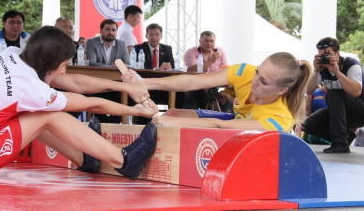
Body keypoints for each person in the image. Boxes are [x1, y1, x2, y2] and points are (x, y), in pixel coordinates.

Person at [0, 26, 157, 181]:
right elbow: (89, 104)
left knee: (31, 113)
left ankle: (85, 158)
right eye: (64, 65)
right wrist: (135, 110)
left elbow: (75, 82)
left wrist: (126, 88)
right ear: (51, 62)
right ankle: (125, 161)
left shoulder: (12, 56)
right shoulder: (31, 89)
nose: (64, 71)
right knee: (48, 115)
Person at [122, 52, 312, 133]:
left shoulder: (280, 118)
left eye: (263, 81)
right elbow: (193, 80)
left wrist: (172, 123)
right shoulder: (244, 72)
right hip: (234, 123)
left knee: (171, 122)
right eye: (257, 73)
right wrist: (143, 82)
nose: (254, 81)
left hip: (252, 142)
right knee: (171, 114)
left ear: (282, 90)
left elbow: (219, 125)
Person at [301, 37, 364, 153]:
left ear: (337, 54)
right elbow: (308, 91)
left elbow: (356, 92)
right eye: (320, 55)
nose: (324, 58)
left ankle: (340, 143)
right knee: (308, 124)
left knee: (333, 93)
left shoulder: (351, 64)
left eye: (327, 54)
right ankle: (346, 137)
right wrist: (315, 70)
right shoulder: (321, 69)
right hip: (340, 113)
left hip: (360, 109)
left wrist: (336, 72)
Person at [182, 31, 230, 110]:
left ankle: (223, 120)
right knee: (191, 98)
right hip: (194, 86)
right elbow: (191, 70)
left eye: (212, 41)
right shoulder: (191, 52)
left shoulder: (220, 51)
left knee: (228, 98)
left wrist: (211, 84)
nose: (209, 44)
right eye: (206, 41)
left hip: (214, 86)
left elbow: (225, 70)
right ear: (200, 41)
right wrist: (210, 61)